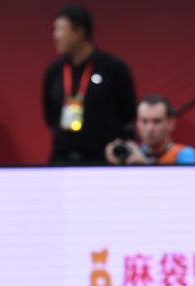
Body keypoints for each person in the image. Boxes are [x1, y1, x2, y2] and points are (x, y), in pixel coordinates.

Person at [43, 4, 136, 165]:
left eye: (60, 29)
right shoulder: (54, 71)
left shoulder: (113, 68)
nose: (55, 35)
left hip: (103, 160)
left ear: (79, 32)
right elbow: (50, 117)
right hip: (62, 159)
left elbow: (128, 113)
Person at [105, 95, 195, 165]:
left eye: (157, 121)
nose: (150, 128)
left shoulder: (183, 154)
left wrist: (142, 165)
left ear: (171, 123)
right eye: (144, 121)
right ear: (137, 123)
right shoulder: (132, 154)